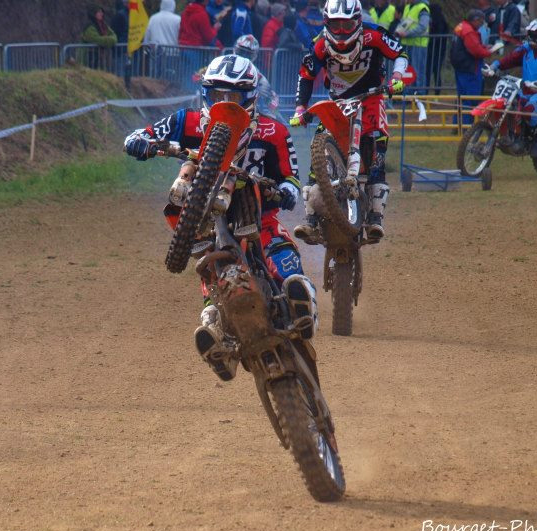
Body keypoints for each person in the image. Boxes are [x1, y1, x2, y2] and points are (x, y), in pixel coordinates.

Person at [123, 54, 315, 379]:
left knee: (285, 264)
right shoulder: (189, 121)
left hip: (260, 218)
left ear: (251, 97)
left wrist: (287, 191)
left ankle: (301, 301)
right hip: (207, 221)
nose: (225, 103)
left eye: (235, 97)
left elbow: (291, 175)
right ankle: (217, 335)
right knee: (207, 265)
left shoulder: (272, 131)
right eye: (217, 96)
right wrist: (139, 142)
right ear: (205, 94)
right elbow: (144, 132)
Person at [290, 0, 410, 244]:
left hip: (372, 98)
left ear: (357, 20)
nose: (342, 31)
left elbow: (400, 52)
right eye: (336, 25)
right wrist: (301, 107)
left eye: (347, 25)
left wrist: (397, 77)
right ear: (327, 23)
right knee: (318, 153)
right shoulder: (320, 45)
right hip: (338, 103)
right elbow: (306, 75)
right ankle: (311, 220)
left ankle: (376, 217)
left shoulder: (374, 35)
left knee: (377, 152)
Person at [484, 19, 537, 157]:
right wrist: (494, 66)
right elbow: (509, 59)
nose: (533, 38)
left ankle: (536, 140)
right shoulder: (525, 49)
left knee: (529, 111)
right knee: (508, 105)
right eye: (531, 34)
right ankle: (511, 135)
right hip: (524, 90)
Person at [451, 9, 498, 125]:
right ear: (476, 20)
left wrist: (483, 47)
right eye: (481, 22)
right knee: (470, 99)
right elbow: (476, 51)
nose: (482, 25)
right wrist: (489, 51)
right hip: (470, 68)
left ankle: (456, 124)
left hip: (460, 67)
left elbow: (471, 46)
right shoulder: (469, 31)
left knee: (461, 97)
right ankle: (467, 125)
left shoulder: (461, 26)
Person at [234, 34, 281, 119]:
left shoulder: (256, 73)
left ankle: (284, 127)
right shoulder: (225, 63)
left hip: (251, 108)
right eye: (241, 52)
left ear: (253, 56)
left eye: (247, 54)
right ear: (235, 49)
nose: (243, 56)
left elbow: (268, 95)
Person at [395, 0, 430, 92]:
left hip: (418, 44)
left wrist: (406, 34)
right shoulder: (407, 7)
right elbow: (404, 23)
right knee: (407, 72)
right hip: (407, 44)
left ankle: (419, 97)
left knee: (418, 72)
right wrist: (398, 30)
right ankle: (409, 95)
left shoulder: (422, 8)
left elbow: (423, 26)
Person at [426, 2, 448, 94]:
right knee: (431, 71)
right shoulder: (438, 19)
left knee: (435, 71)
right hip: (434, 50)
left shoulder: (439, 20)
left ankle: (435, 91)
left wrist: (430, 39)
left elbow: (440, 35)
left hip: (437, 50)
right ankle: (428, 90)